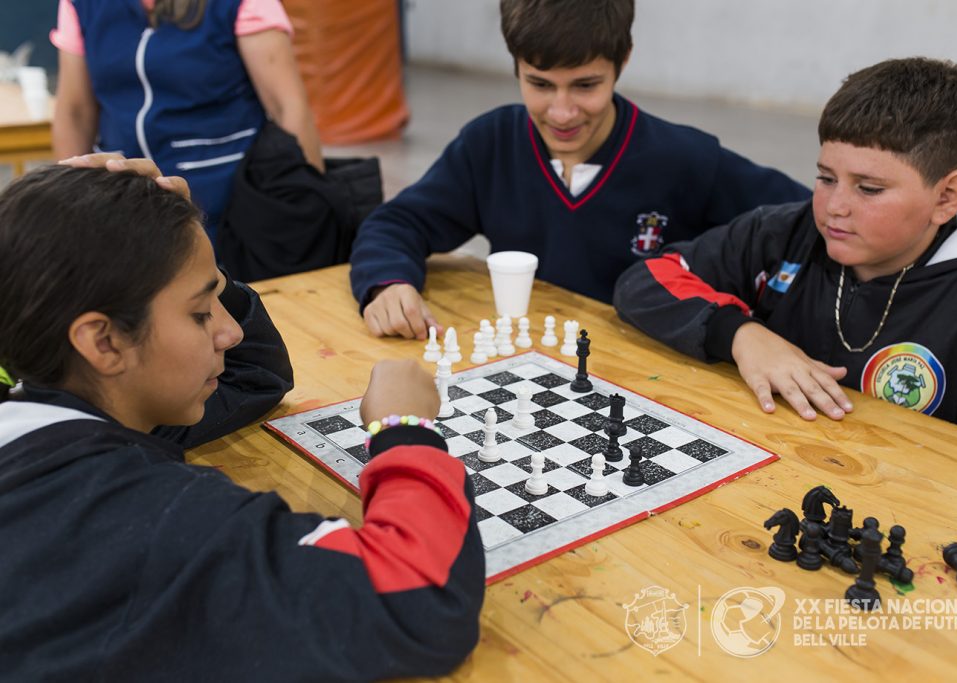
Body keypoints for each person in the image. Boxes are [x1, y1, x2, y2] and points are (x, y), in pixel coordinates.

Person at [0, 159, 484, 681]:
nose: (229, 331)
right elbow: (419, 596)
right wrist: (403, 428)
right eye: (200, 311)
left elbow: (250, 377)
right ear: (104, 341)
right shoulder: (156, 519)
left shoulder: (52, 412)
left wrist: (167, 246)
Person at [613, 58, 957, 447]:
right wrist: (739, 333)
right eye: (826, 178)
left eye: (869, 188)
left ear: (947, 196)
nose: (834, 207)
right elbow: (643, 280)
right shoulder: (782, 233)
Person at [349, 0, 809, 340]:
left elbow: (803, 221)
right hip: (527, 358)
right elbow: (397, 222)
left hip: (649, 379)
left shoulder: (684, 157)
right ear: (515, 67)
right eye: (540, 84)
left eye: (585, 85)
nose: (562, 111)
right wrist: (387, 283)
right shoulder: (489, 144)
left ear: (622, 60)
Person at [50, 0, 324, 241]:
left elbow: (288, 107)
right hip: (123, 206)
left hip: (229, 206)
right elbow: (74, 112)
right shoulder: (79, 4)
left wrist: (307, 206)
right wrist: (69, 210)